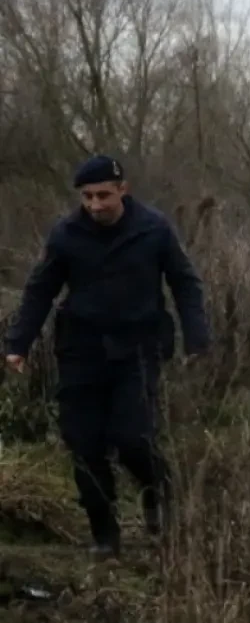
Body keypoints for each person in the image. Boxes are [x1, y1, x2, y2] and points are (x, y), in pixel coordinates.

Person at [3, 156, 210, 559]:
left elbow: (185, 283)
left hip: (138, 346)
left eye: (103, 196)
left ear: (122, 190)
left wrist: (196, 338)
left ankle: (157, 491)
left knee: (131, 437)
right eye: (87, 197)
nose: (95, 205)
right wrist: (17, 344)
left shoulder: (153, 229)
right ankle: (104, 534)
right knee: (83, 443)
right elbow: (39, 290)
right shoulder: (66, 235)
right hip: (81, 349)